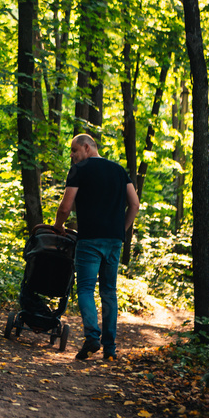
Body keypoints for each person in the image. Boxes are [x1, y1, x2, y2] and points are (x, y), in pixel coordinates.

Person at [53, 133, 139, 361]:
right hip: (114, 241)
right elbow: (135, 204)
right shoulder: (119, 170)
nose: (72, 156)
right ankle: (109, 349)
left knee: (85, 289)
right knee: (109, 292)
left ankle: (92, 336)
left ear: (86, 147)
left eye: (74, 150)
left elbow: (65, 207)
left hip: (89, 239)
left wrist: (58, 226)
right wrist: (121, 229)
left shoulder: (80, 170)